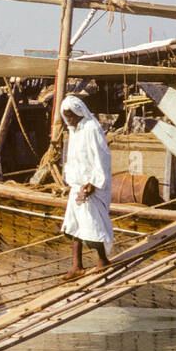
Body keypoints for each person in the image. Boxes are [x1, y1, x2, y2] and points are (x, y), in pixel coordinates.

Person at [60, 95, 113, 278]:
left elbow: (102, 157)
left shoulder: (92, 128)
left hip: (92, 185)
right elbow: (73, 158)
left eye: (71, 115)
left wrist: (93, 182)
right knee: (73, 226)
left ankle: (102, 260)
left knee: (92, 224)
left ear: (78, 112)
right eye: (66, 115)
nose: (69, 119)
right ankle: (77, 266)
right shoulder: (73, 131)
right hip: (77, 186)